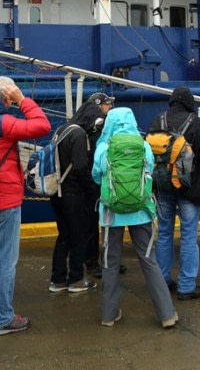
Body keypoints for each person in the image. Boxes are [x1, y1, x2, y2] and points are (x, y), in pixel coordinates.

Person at [0, 76, 50, 336]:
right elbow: (42, 126)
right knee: (4, 260)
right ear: (6, 96)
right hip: (5, 201)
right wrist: (23, 100)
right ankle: (3, 318)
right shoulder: (3, 122)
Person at [92, 107, 178, 329]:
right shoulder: (144, 146)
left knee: (110, 263)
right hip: (142, 212)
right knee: (149, 261)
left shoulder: (104, 147)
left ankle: (108, 316)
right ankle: (167, 314)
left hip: (112, 213)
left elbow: (96, 175)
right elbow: (149, 171)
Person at [147, 85, 200, 300]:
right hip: (188, 188)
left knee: (164, 232)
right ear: (190, 102)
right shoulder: (197, 123)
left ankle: (163, 280)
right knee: (188, 236)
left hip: (161, 186)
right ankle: (187, 286)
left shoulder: (157, 120)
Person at [47, 99, 107, 294]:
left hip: (58, 191)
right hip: (74, 194)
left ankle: (57, 279)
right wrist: (92, 190)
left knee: (64, 235)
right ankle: (76, 279)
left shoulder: (62, 130)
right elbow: (80, 166)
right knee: (79, 236)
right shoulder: (79, 134)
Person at [82, 92, 115, 280]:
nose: (109, 108)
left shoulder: (81, 124)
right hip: (97, 179)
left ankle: (97, 260)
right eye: (107, 105)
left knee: (91, 222)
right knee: (98, 222)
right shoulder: (99, 126)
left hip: (88, 179)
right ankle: (96, 262)